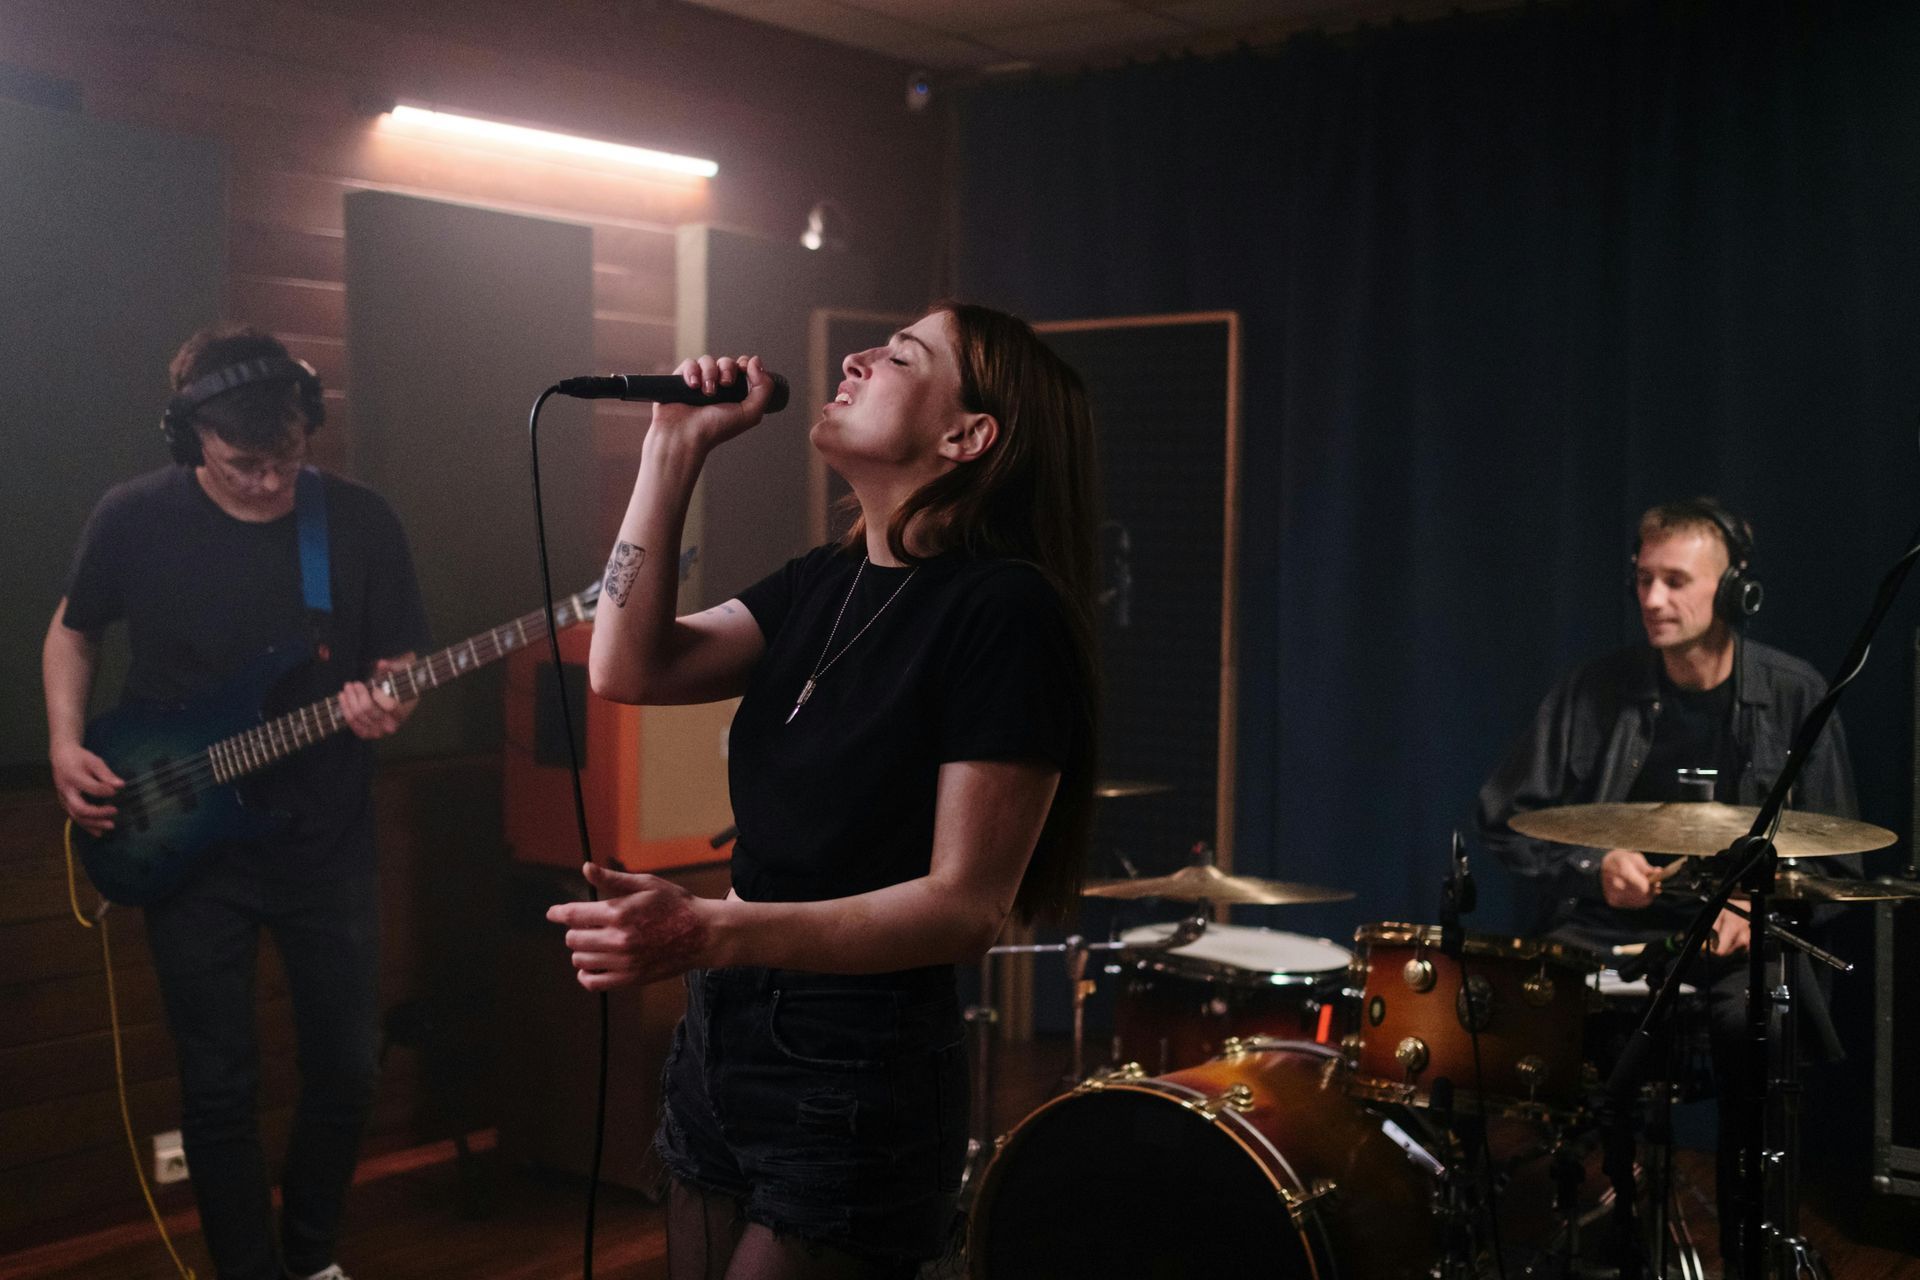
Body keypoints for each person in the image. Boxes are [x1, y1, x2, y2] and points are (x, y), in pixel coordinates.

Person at [547, 302, 1100, 1279]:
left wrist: (711, 929)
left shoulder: (1006, 611)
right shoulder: (822, 582)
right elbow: (625, 666)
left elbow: (965, 908)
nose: (856, 358)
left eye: (901, 356)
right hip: (724, 1030)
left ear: (968, 436)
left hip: (856, 1059)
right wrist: (671, 449)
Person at [43, 326, 429, 1280]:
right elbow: (73, 631)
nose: (266, 482)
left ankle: (311, 1260)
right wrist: (63, 742)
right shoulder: (133, 516)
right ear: (190, 440)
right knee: (218, 1085)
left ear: (308, 426)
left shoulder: (360, 521)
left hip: (326, 841)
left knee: (349, 1068)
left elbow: (401, 660)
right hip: (183, 841)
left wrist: (392, 699)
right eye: (241, 464)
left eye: (285, 459)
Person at [1476, 496, 1858, 1269]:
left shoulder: (1793, 694)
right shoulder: (1594, 690)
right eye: (1644, 580)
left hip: (1736, 949)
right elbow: (1506, 819)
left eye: (1675, 581)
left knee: (1754, 1019)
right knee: (1527, 1007)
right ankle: (1593, 1217)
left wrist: (1757, 902)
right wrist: (1593, 866)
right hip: (1609, 934)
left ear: (1735, 589)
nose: (1652, 599)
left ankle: (1750, 1240)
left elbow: (1838, 864)